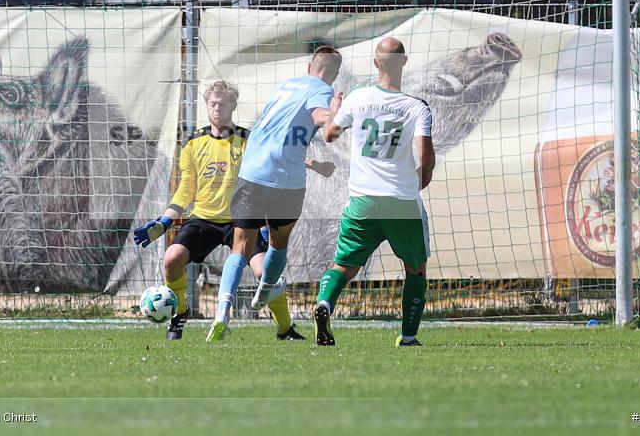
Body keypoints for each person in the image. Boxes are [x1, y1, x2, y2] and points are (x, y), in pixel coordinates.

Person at [133, 80, 332, 340]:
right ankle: (179, 313)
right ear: (206, 105)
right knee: (172, 258)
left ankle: (285, 329)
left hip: (242, 219)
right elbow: (186, 189)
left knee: (266, 273)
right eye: (212, 103)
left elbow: (282, 155)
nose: (217, 108)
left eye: (222, 104)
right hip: (203, 219)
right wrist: (165, 221)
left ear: (233, 106)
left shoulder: (249, 139)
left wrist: (316, 166)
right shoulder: (193, 143)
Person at [206, 47, 343, 342]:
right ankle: (265, 290)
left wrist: (314, 164)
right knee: (278, 244)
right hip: (286, 181)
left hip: (253, 173)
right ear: (334, 75)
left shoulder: (286, 87)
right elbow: (320, 116)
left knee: (240, 248)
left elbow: (277, 136)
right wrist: (335, 112)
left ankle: (222, 313)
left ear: (309, 66)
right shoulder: (323, 91)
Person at [314, 37, 435, 347]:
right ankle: (409, 336)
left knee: (344, 266)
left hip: (363, 201)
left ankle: (325, 303)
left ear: (375, 63)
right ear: (404, 62)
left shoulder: (358, 98)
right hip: (401, 202)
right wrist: (420, 179)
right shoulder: (416, 107)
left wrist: (334, 110)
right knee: (416, 269)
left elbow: (329, 134)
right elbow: (425, 158)